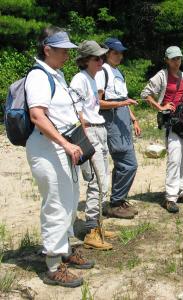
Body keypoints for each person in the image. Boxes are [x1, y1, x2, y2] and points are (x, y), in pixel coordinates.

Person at [25, 26, 94, 287]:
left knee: (69, 200)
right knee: (56, 203)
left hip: (63, 146)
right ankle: (53, 266)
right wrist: (65, 143)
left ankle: (64, 249)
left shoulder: (57, 75)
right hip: (48, 148)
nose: (67, 54)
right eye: (63, 50)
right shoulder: (39, 77)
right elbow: (37, 116)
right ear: (47, 49)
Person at [140, 46, 183, 213]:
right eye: (173, 59)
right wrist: (160, 106)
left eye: (178, 58)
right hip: (172, 122)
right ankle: (170, 197)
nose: (176, 62)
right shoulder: (162, 76)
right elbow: (146, 93)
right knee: (174, 157)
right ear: (167, 60)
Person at [70, 40, 114, 250]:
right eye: (97, 58)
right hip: (90, 131)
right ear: (86, 60)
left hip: (100, 128)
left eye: (102, 57)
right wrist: (84, 138)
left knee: (103, 177)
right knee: (96, 180)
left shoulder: (93, 78)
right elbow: (77, 111)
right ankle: (91, 230)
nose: (101, 61)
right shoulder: (79, 79)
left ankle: (97, 225)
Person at [95, 38, 141, 219]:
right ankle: (115, 203)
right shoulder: (101, 72)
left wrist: (134, 119)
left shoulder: (118, 72)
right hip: (112, 120)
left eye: (121, 53)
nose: (119, 56)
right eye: (115, 53)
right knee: (127, 163)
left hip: (123, 120)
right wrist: (122, 103)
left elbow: (124, 99)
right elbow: (97, 102)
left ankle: (118, 199)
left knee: (124, 163)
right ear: (106, 53)